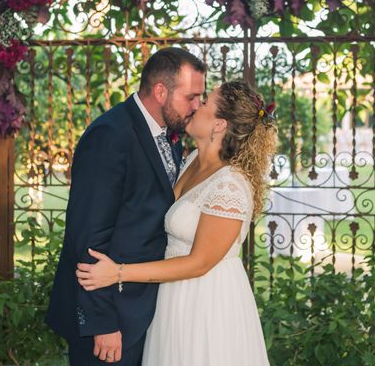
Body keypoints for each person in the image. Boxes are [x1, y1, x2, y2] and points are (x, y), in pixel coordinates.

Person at [76, 80, 277, 366]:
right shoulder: (193, 159)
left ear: (219, 125)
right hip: (173, 295)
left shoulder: (230, 185)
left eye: (205, 102)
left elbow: (199, 263)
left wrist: (119, 273)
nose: (196, 105)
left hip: (207, 300)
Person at [45, 47, 206, 365]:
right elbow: (88, 236)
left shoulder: (167, 135)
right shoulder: (110, 135)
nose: (197, 106)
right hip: (110, 318)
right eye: (191, 97)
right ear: (161, 91)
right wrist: (102, 322)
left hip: (143, 309)